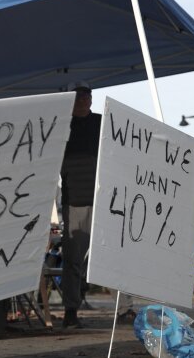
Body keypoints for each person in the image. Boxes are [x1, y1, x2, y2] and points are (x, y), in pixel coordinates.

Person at [58, 83, 136, 327]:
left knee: (115, 256)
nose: (83, 100)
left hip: (107, 200)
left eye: (87, 95)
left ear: (91, 99)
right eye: (79, 96)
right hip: (76, 201)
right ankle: (71, 311)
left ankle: (125, 308)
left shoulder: (104, 123)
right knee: (73, 259)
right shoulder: (61, 125)